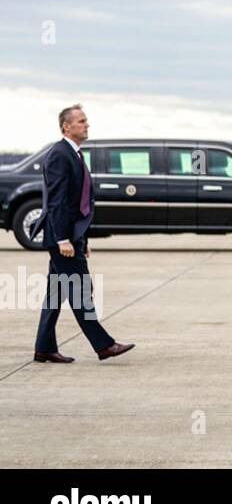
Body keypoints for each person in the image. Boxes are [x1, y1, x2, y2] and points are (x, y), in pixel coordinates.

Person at [32, 105, 134, 364]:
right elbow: (56, 202)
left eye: (86, 120)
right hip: (61, 238)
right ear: (66, 126)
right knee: (80, 290)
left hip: (70, 237)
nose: (86, 125)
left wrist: (81, 240)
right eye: (81, 121)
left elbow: (79, 203)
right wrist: (63, 239)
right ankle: (104, 345)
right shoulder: (59, 154)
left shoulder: (74, 154)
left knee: (56, 293)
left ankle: (44, 348)